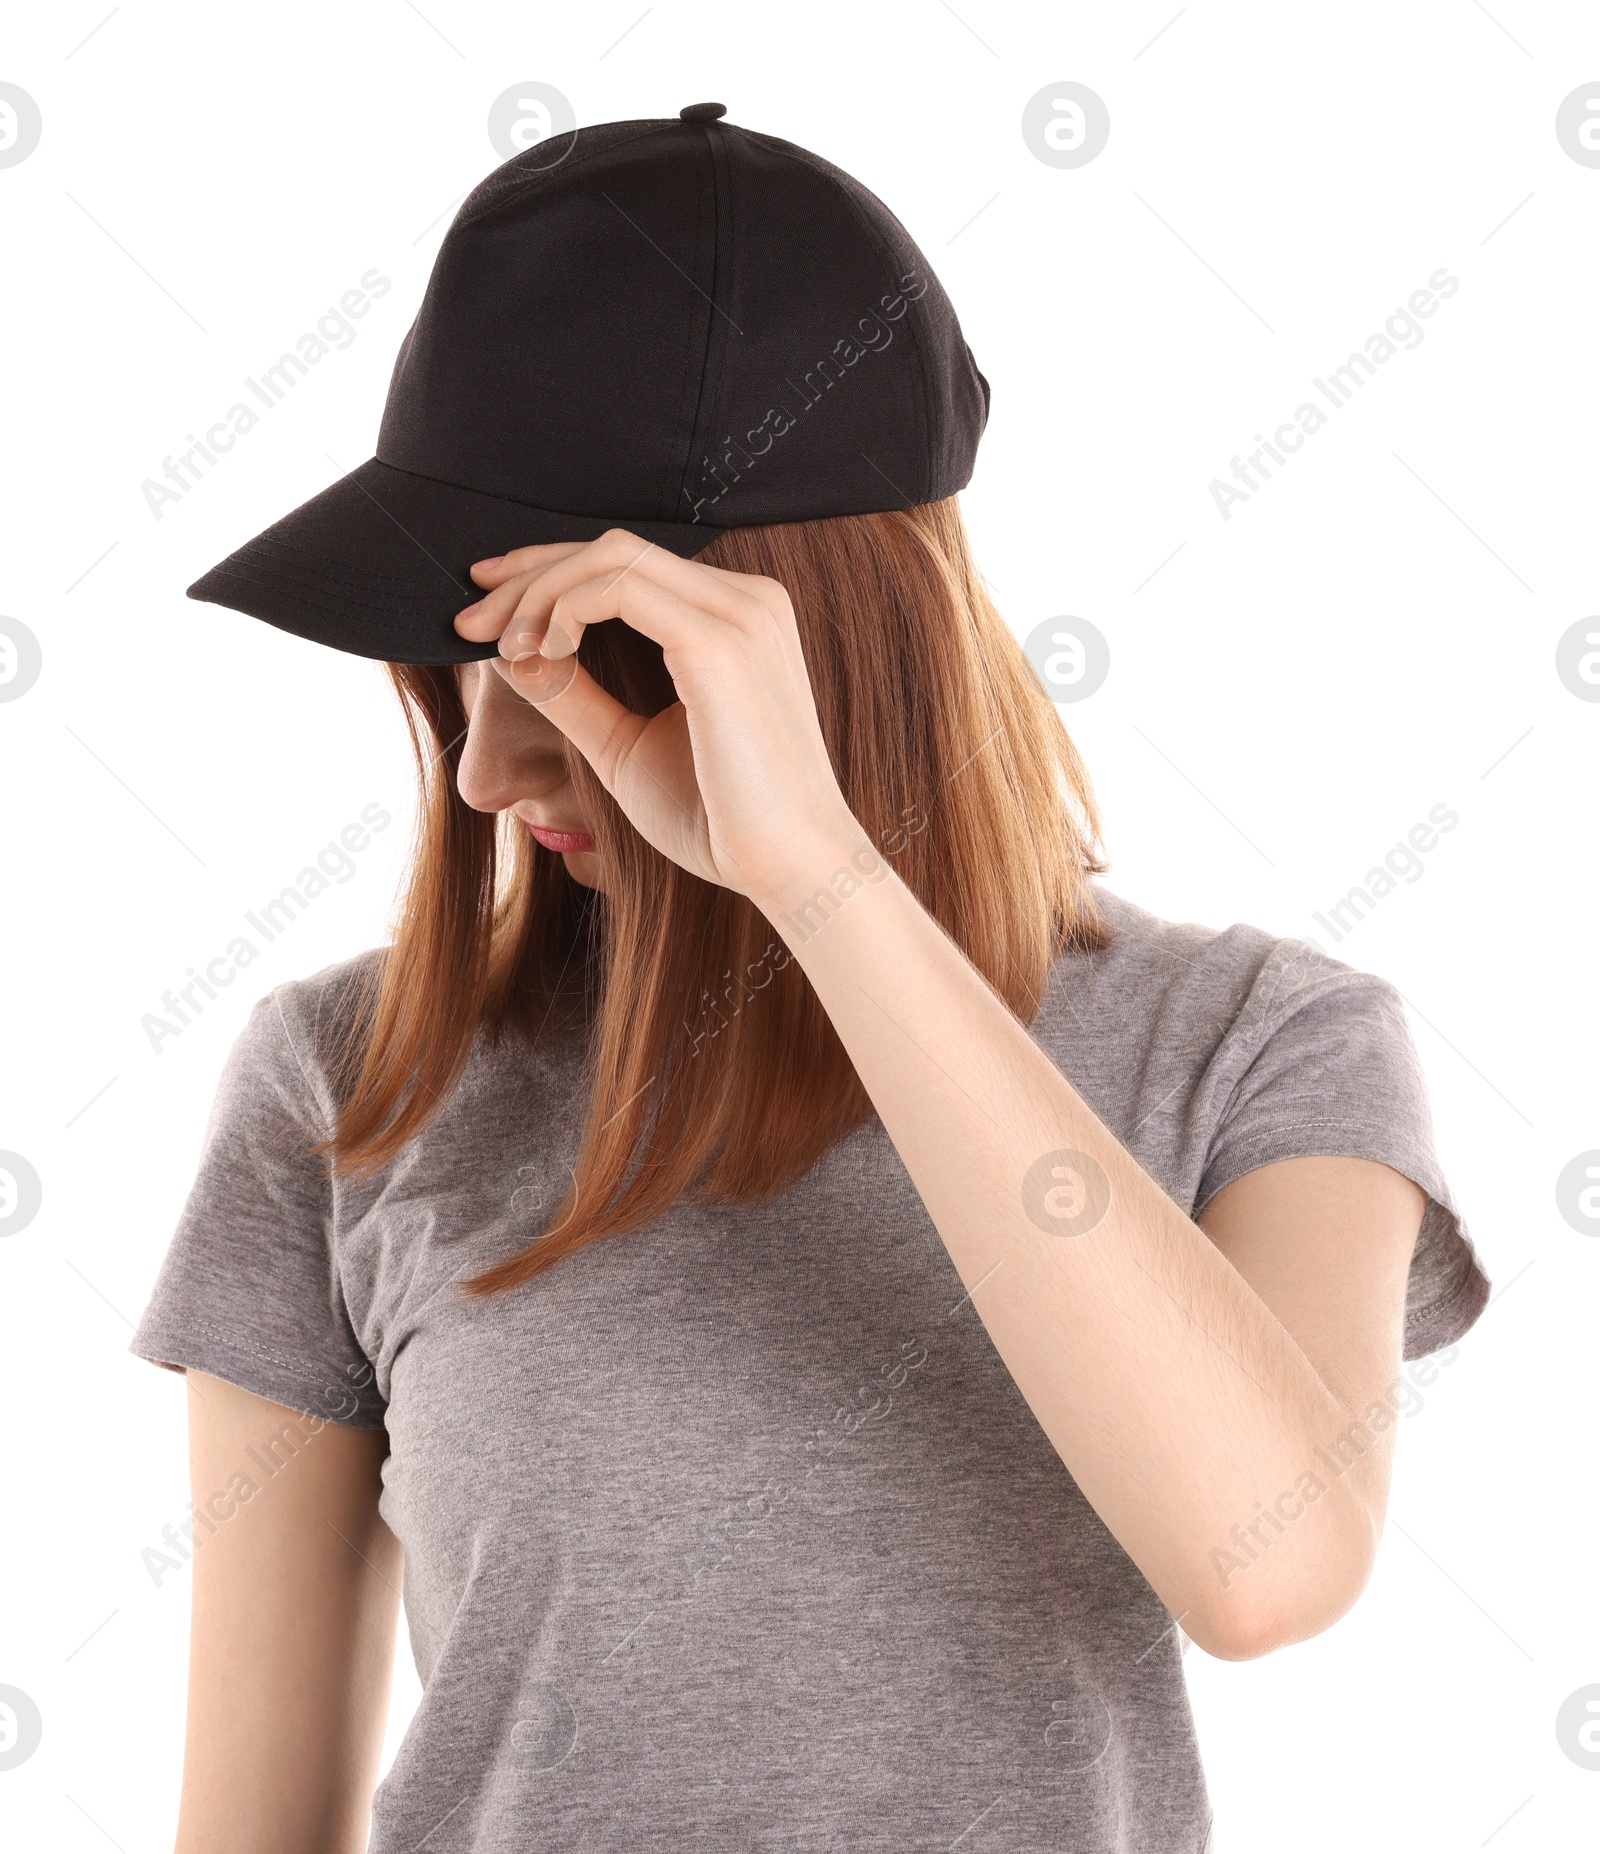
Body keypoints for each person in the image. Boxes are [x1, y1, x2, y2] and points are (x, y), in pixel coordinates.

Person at [131, 104, 1490, 1853]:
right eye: (455, 663)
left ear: (817, 638)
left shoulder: (1259, 1047)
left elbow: (1272, 1566)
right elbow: (251, 1832)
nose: (480, 772)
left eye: (576, 658)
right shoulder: (351, 1072)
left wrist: (821, 879)